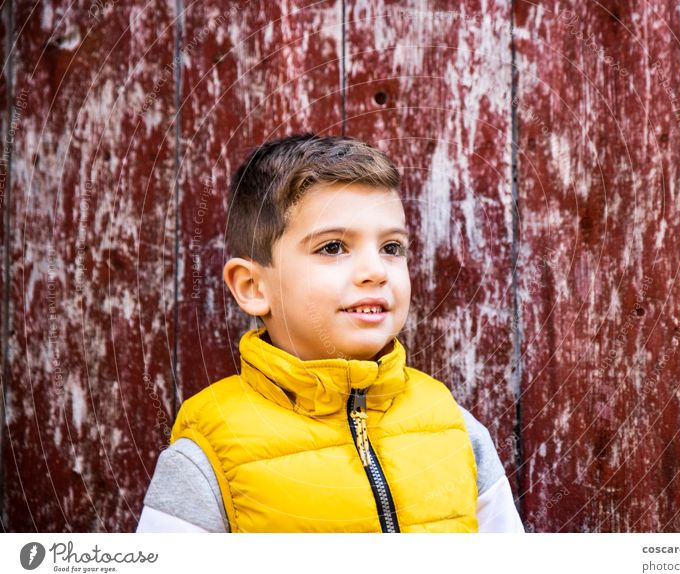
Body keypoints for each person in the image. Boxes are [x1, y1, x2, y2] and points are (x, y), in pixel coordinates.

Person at [136, 134, 524, 533]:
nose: (376, 270)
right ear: (253, 287)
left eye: (392, 247)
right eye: (334, 247)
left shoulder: (456, 432)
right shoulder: (208, 458)